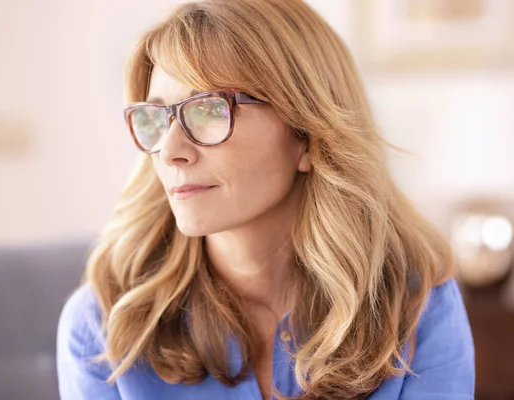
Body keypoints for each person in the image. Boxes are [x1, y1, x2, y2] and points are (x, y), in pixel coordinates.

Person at [56, 0, 475, 398]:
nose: (169, 151)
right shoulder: (103, 325)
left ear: (307, 137)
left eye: (209, 109)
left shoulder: (419, 306)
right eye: (157, 117)